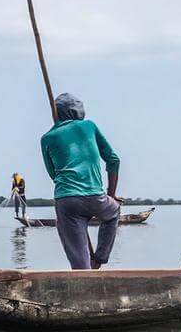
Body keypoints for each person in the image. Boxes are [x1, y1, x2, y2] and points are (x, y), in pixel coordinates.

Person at [41, 92, 121, 270]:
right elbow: (113, 160)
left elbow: (54, 174)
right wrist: (112, 195)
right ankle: (99, 260)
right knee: (113, 211)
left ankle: (86, 271)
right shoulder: (89, 126)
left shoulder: (47, 138)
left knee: (79, 265)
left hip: (66, 200)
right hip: (95, 196)